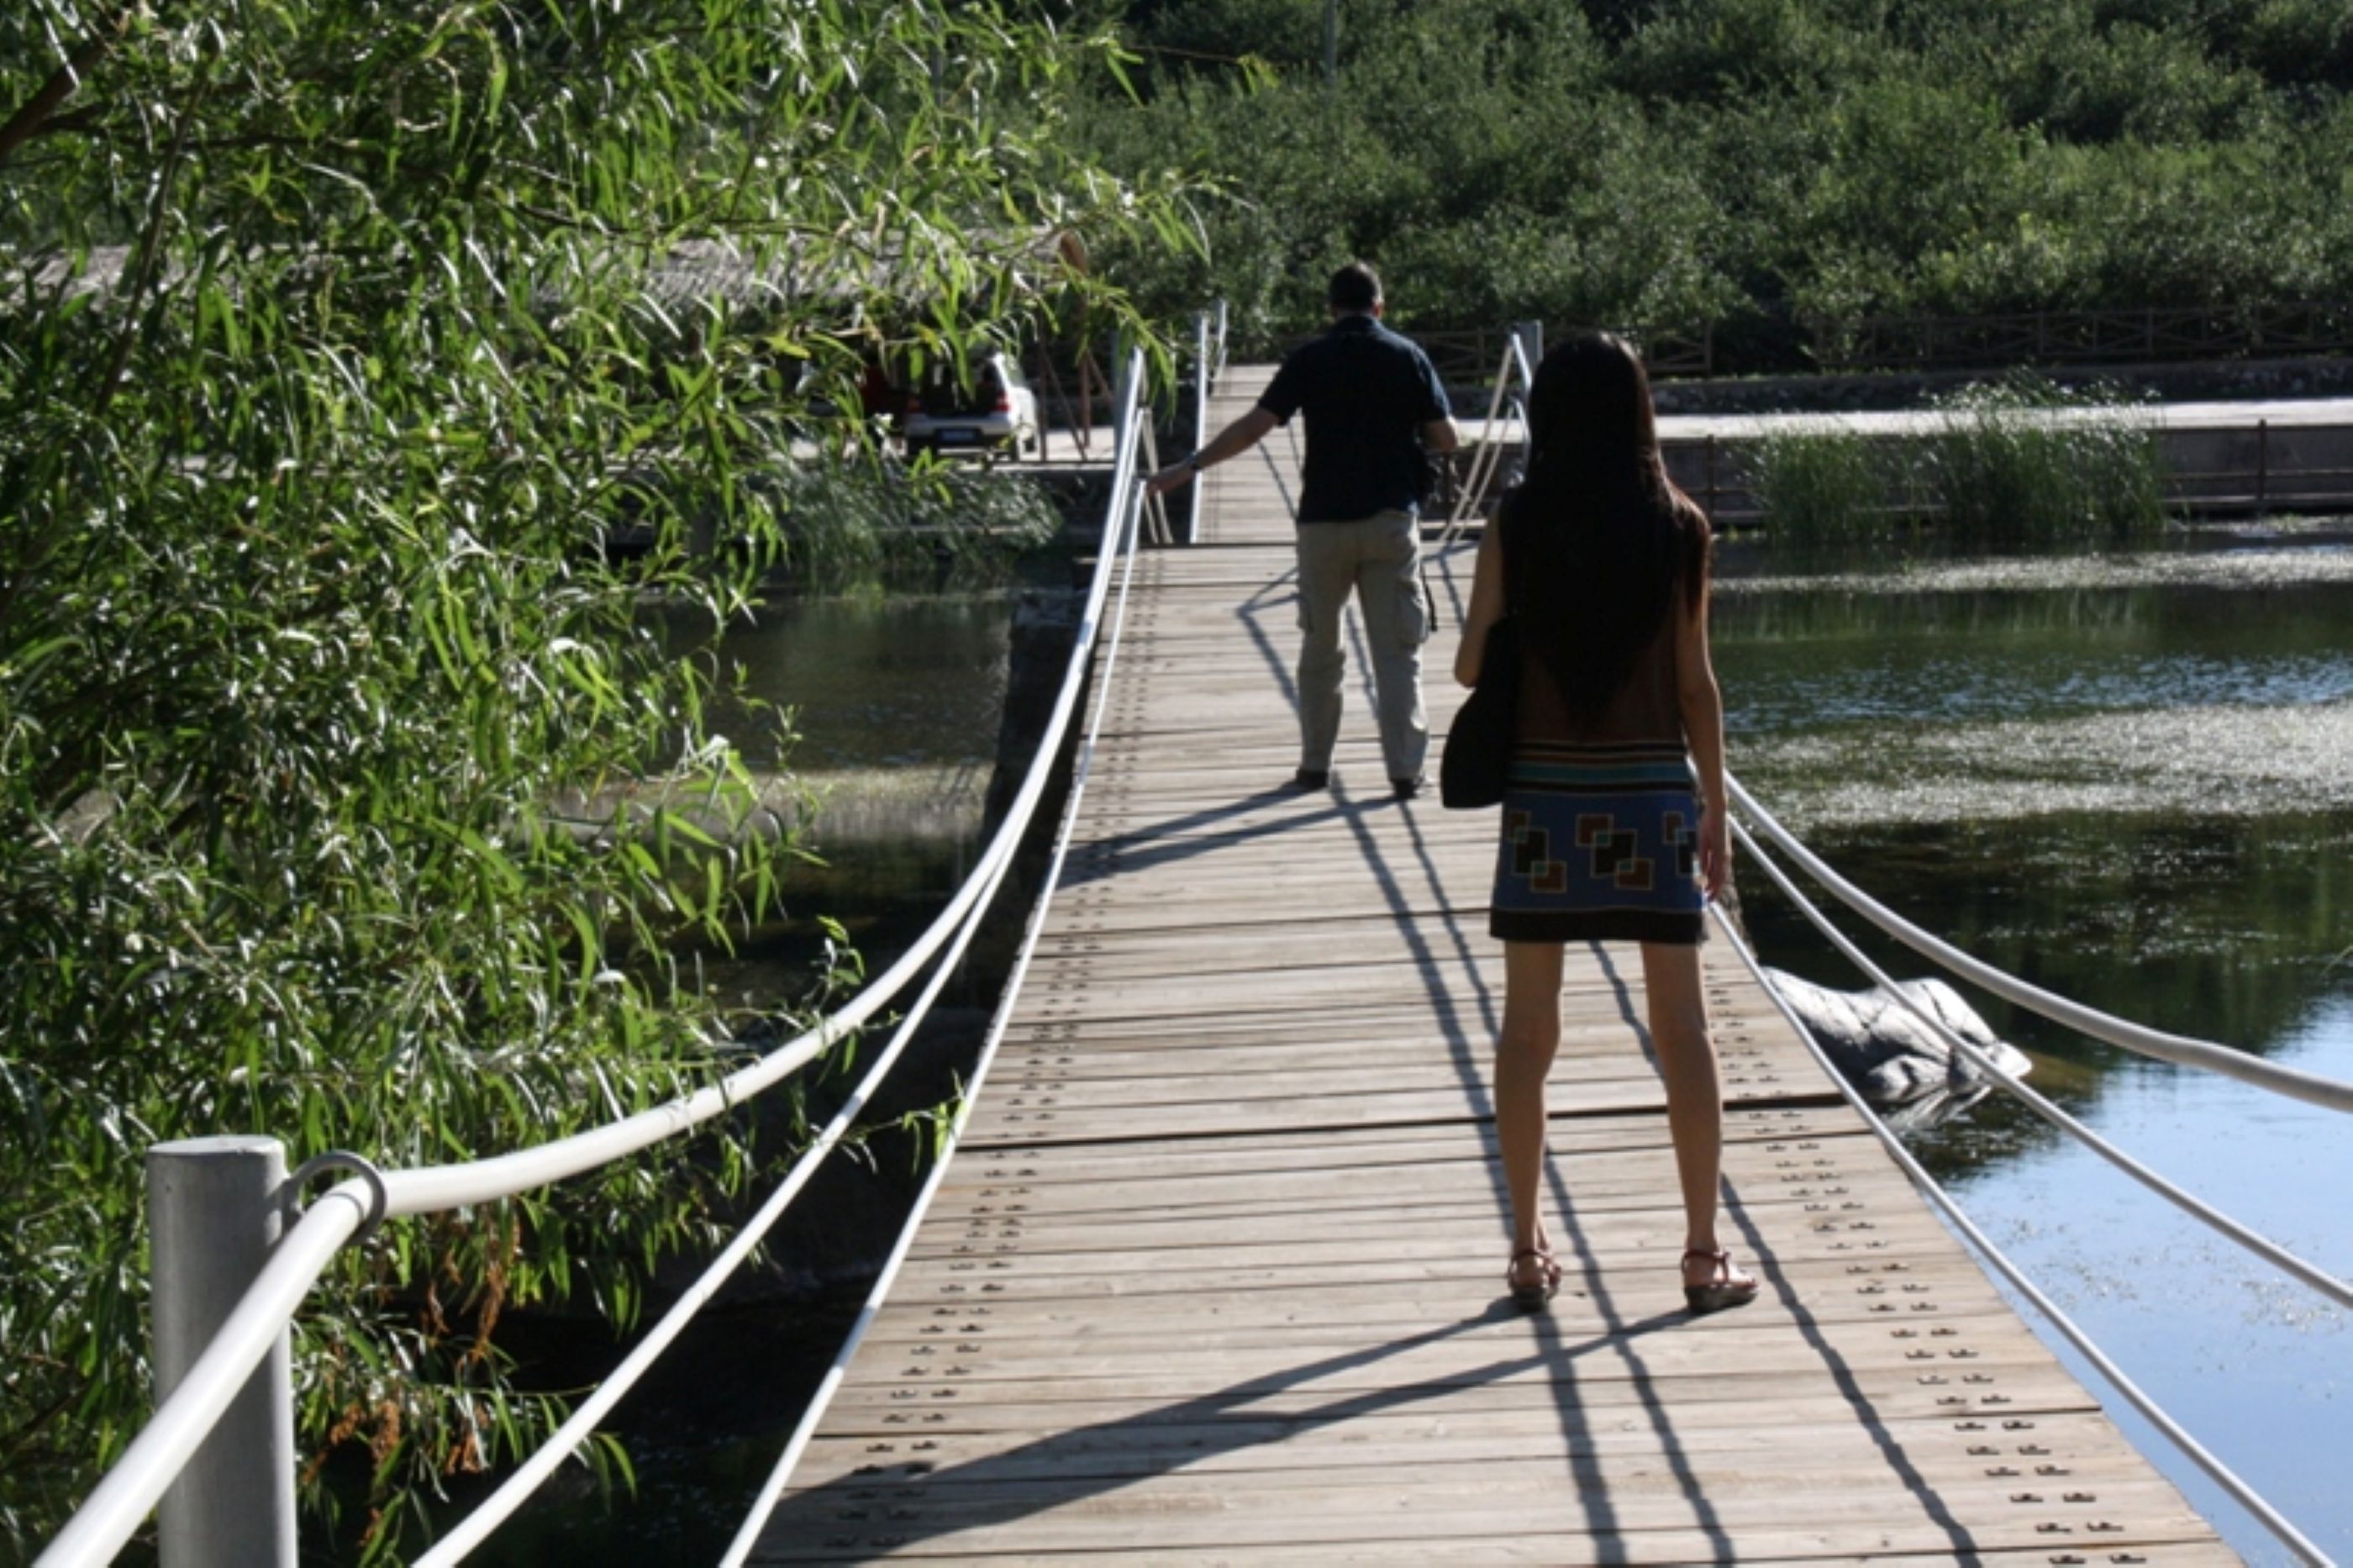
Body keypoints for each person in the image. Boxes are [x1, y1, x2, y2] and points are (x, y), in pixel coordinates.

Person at [1453, 331, 1759, 1317]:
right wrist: (1713, 806)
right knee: (1684, 1032)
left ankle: (1526, 1249)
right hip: (1651, 800)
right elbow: (1696, 686)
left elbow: (1467, 668)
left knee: (1527, 1031)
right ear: (1638, 410)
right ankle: (1702, 1254)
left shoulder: (1518, 521)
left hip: (1545, 803)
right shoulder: (1678, 526)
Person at [1146, 263, 1458, 797]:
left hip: (1323, 525)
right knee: (1398, 651)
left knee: (1321, 648)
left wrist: (1188, 468)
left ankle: (1315, 765)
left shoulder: (1310, 359)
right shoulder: (1408, 356)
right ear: (1380, 307)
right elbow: (1447, 438)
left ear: (1331, 309)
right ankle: (1406, 772)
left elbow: (1254, 426)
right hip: (1388, 521)